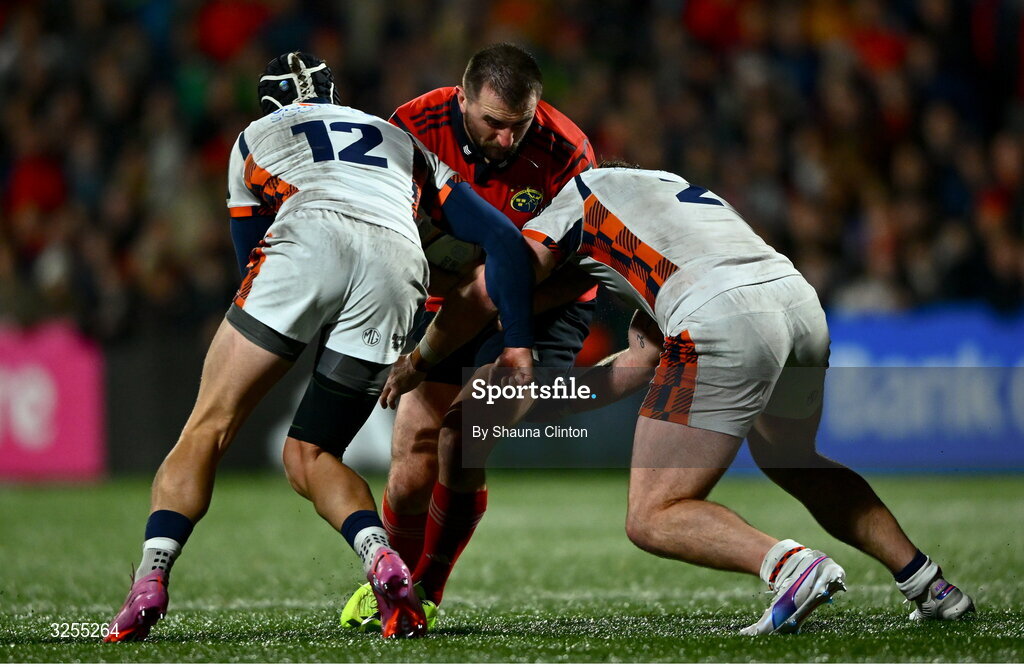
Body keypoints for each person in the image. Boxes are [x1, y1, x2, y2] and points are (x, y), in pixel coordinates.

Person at [385, 162, 976, 634]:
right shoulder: (671, 191)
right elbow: (636, 366)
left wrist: (420, 360)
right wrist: (542, 400)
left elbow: (500, 282)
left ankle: (789, 566)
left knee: (653, 514)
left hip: (719, 317)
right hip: (798, 304)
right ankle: (928, 584)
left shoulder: (580, 196)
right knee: (793, 458)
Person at [103, 51, 536, 642]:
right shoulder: (395, 137)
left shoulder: (254, 136)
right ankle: (382, 558)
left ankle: (151, 578)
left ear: (271, 103)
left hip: (307, 236)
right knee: (309, 453)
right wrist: (517, 344)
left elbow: (248, 256)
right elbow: (506, 240)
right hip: (397, 260)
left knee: (207, 427)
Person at [340, 43, 596, 630]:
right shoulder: (410, 129)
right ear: (462, 99)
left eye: (520, 125)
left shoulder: (567, 151)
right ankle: (389, 585)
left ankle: (424, 592)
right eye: (493, 125)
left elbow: (578, 266)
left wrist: (487, 309)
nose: (507, 140)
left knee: (462, 438)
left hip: (539, 310)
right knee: (408, 471)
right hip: (445, 303)